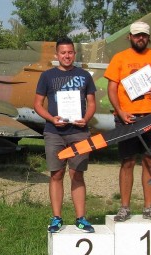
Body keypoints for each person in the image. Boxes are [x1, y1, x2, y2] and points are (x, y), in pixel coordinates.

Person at [104, 21, 151, 222]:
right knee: (127, 162)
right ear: (130, 37)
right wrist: (120, 111)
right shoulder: (120, 58)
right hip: (128, 118)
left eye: (143, 35)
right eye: (136, 35)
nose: (139, 38)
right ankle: (124, 207)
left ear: (148, 37)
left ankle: (149, 207)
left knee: (150, 162)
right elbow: (111, 88)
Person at [34, 37, 96, 233]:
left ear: (74, 54)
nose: (66, 56)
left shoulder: (85, 75)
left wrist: (85, 118)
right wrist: (52, 119)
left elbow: (92, 103)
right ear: (56, 55)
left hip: (79, 132)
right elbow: (37, 104)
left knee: (77, 174)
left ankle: (80, 218)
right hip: (54, 133)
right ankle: (56, 218)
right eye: (63, 53)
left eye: (70, 52)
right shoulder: (47, 76)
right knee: (56, 174)